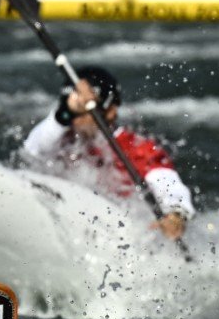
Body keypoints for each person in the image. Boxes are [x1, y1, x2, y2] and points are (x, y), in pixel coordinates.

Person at [20, 65, 194, 242]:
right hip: (71, 223)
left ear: (111, 111)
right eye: (73, 111)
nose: (76, 119)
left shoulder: (138, 148)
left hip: (124, 235)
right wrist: (62, 114)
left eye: (85, 111)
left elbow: (169, 186)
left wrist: (176, 214)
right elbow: (31, 152)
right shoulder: (60, 139)